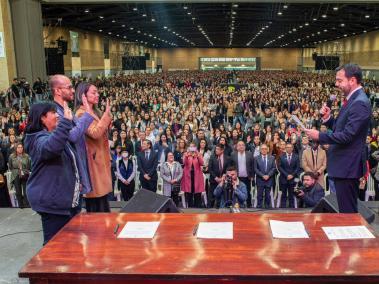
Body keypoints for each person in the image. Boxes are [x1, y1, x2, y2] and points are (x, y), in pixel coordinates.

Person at [305, 63, 372, 213]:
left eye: (340, 80)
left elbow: (348, 136)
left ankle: (351, 236)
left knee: (347, 213)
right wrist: (328, 119)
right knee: (345, 211)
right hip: (344, 165)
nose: (336, 84)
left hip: (347, 166)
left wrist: (320, 136)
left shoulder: (359, 102)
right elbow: (342, 128)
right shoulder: (353, 99)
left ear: (352, 80)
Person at [25, 102, 79, 245]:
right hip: (52, 202)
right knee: (54, 246)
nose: (57, 115)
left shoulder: (51, 135)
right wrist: (66, 122)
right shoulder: (36, 138)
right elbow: (51, 148)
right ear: (43, 118)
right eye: (53, 113)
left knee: (65, 244)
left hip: (61, 201)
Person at [51, 75, 94, 214]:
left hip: (76, 168)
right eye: (69, 87)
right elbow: (73, 136)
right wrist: (87, 114)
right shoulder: (55, 112)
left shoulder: (65, 108)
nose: (72, 90)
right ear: (57, 91)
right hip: (69, 173)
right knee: (71, 220)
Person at [75, 82, 113, 213]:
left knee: (102, 200)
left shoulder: (93, 111)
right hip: (93, 162)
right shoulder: (81, 113)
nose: (97, 94)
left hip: (100, 160)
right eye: (93, 92)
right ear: (83, 95)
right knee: (97, 203)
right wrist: (106, 116)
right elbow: (95, 133)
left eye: (97, 92)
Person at [231, 141, 254, 207]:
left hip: (247, 177)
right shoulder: (233, 154)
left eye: (242, 145)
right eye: (239, 145)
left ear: (245, 146)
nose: (241, 146)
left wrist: (252, 175)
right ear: (237, 147)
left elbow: (252, 165)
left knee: (248, 192)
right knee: (236, 192)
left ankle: (249, 205)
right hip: (236, 178)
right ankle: (236, 205)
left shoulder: (249, 154)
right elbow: (231, 166)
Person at [208, 143, 232, 207]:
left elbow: (228, 169)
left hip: (223, 181)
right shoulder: (212, 157)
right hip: (213, 180)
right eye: (216, 149)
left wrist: (223, 177)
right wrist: (216, 178)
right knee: (211, 197)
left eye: (218, 149)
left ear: (222, 150)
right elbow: (210, 169)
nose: (216, 150)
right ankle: (209, 210)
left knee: (221, 198)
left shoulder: (227, 158)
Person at [181, 143, 205, 207]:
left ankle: (198, 207)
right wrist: (186, 156)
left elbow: (202, 163)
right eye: (190, 147)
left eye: (193, 147)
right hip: (188, 176)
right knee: (189, 192)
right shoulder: (186, 154)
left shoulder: (198, 154)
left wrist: (197, 155)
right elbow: (184, 163)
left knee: (197, 192)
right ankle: (190, 207)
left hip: (197, 176)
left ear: (195, 148)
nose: (192, 149)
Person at [278, 143, 301, 208]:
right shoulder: (281, 156)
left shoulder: (296, 156)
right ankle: (283, 207)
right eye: (287, 147)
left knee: (292, 194)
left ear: (292, 148)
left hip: (293, 179)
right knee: (284, 194)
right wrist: (287, 175)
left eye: (290, 147)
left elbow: (297, 168)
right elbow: (280, 167)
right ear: (285, 148)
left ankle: (292, 208)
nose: (289, 148)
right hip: (284, 178)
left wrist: (292, 175)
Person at [8, 143, 31, 208]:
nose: (20, 149)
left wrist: (25, 171)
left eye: (21, 147)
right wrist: (16, 171)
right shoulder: (11, 156)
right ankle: (20, 205)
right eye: (18, 147)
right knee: (18, 191)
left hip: (25, 173)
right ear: (16, 148)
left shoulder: (26, 156)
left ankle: (27, 204)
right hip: (15, 174)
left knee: (26, 190)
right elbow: (10, 166)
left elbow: (29, 166)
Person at [254, 144, 276, 208]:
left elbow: (274, 168)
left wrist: (268, 175)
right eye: (262, 149)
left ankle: (267, 206)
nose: (264, 150)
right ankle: (259, 206)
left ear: (268, 150)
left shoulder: (272, 158)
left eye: (265, 149)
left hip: (269, 179)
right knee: (259, 194)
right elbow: (255, 169)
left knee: (268, 195)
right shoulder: (256, 158)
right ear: (260, 150)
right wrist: (262, 175)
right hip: (260, 179)